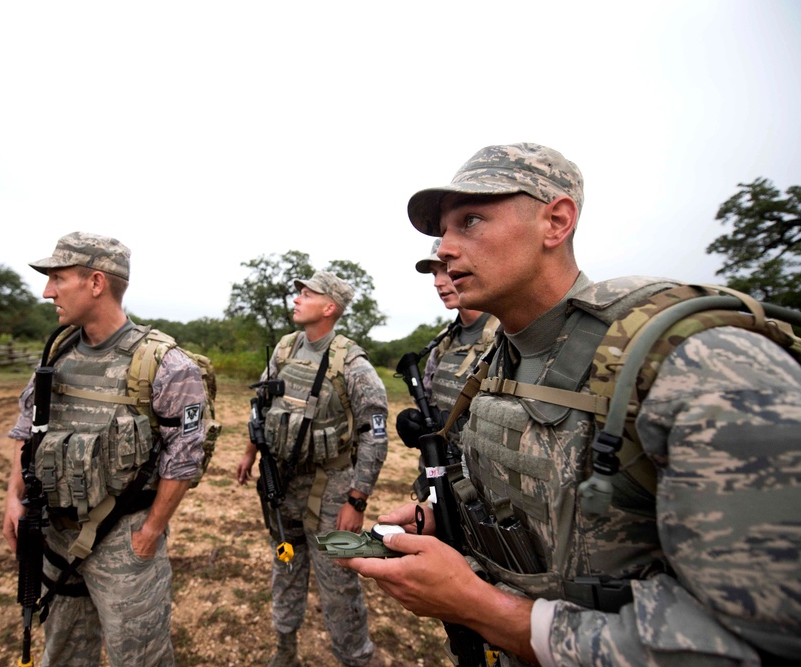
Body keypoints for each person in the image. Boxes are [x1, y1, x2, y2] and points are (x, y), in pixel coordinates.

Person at [340, 144, 801, 665]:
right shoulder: (497, 362)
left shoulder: (696, 362)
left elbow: (764, 640)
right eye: (441, 231)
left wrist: (489, 611)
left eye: (470, 220)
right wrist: (449, 520)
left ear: (555, 222)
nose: (444, 249)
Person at [2, 231, 206, 666]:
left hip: (124, 543)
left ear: (96, 283)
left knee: (141, 659)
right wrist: (13, 500)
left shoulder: (164, 364)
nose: (47, 291)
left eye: (58, 278)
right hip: (54, 536)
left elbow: (185, 459)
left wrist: (149, 533)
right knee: (62, 654)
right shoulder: (57, 353)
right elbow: (27, 430)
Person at [236, 271, 389, 667]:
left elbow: (375, 433)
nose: (297, 299)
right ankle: (285, 651)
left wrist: (357, 499)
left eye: (307, 293)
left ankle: (357, 658)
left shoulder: (352, 363)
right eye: (298, 292)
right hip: (283, 481)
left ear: (329, 307)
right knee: (285, 562)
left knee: (339, 579)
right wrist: (250, 452)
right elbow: (262, 404)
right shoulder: (285, 348)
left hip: (334, 487)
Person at [396, 238, 499, 455]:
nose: (438, 282)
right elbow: (429, 397)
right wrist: (418, 425)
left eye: (446, 269)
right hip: (439, 474)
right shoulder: (445, 340)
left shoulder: (504, 336)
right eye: (435, 274)